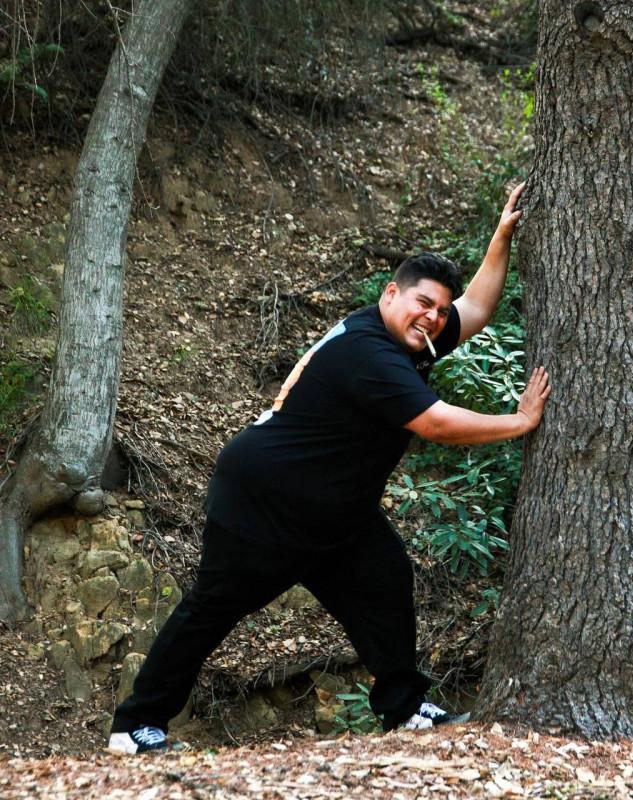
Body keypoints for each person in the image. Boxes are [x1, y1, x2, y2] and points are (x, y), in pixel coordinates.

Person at [108, 182, 551, 754]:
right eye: (424, 304)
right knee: (212, 608)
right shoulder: (369, 352)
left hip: (337, 514)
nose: (434, 318)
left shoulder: (411, 338)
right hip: (265, 503)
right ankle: (134, 726)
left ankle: (404, 709)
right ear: (391, 294)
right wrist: (518, 422)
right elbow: (435, 423)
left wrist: (501, 235)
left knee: (386, 577)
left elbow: (477, 308)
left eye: (439, 311)